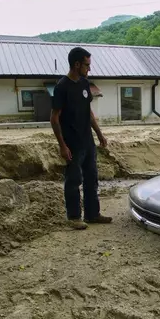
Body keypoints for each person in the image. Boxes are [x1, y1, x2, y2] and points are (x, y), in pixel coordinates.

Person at [50, 46, 112, 230]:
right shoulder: (62, 87)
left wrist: (99, 134)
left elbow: (89, 112)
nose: (89, 69)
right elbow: (54, 118)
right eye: (87, 65)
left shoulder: (85, 84)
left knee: (91, 178)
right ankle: (74, 217)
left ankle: (93, 214)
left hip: (88, 141)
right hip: (72, 143)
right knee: (74, 180)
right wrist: (62, 145)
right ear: (77, 64)